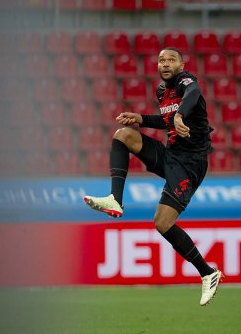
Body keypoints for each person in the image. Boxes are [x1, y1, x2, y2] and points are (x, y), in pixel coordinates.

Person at [84, 47, 223, 306]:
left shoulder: (187, 82)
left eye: (171, 59)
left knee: (162, 223)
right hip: (170, 156)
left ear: (181, 65)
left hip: (190, 164)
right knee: (123, 134)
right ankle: (115, 199)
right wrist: (141, 118)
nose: (166, 63)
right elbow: (167, 120)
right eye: (161, 60)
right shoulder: (161, 90)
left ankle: (208, 272)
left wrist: (181, 114)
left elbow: (192, 95)